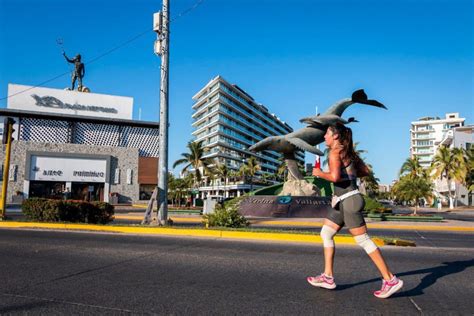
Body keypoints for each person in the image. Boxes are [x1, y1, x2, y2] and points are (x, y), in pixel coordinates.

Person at [307, 123, 403, 299]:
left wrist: (320, 173)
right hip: (341, 201)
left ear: (335, 136)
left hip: (349, 201)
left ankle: (390, 279)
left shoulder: (335, 152)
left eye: (327, 133)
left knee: (364, 241)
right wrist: (348, 174)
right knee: (326, 233)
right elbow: (365, 171)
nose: (325, 137)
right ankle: (327, 276)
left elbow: (335, 177)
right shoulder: (348, 152)